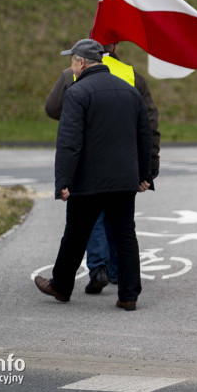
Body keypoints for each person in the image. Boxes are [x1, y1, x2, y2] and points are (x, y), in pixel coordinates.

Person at [35, 38, 152, 311]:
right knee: (125, 235)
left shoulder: (76, 93)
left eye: (72, 61)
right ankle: (129, 295)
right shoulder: (129, 91)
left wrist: (63, 181)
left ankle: (61, 287)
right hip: (124, 180)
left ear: (82, 62)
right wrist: (144, 174)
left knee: (75, 234)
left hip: (88, 181)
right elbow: (143, 134)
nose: (71, 67)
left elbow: (69, 142)